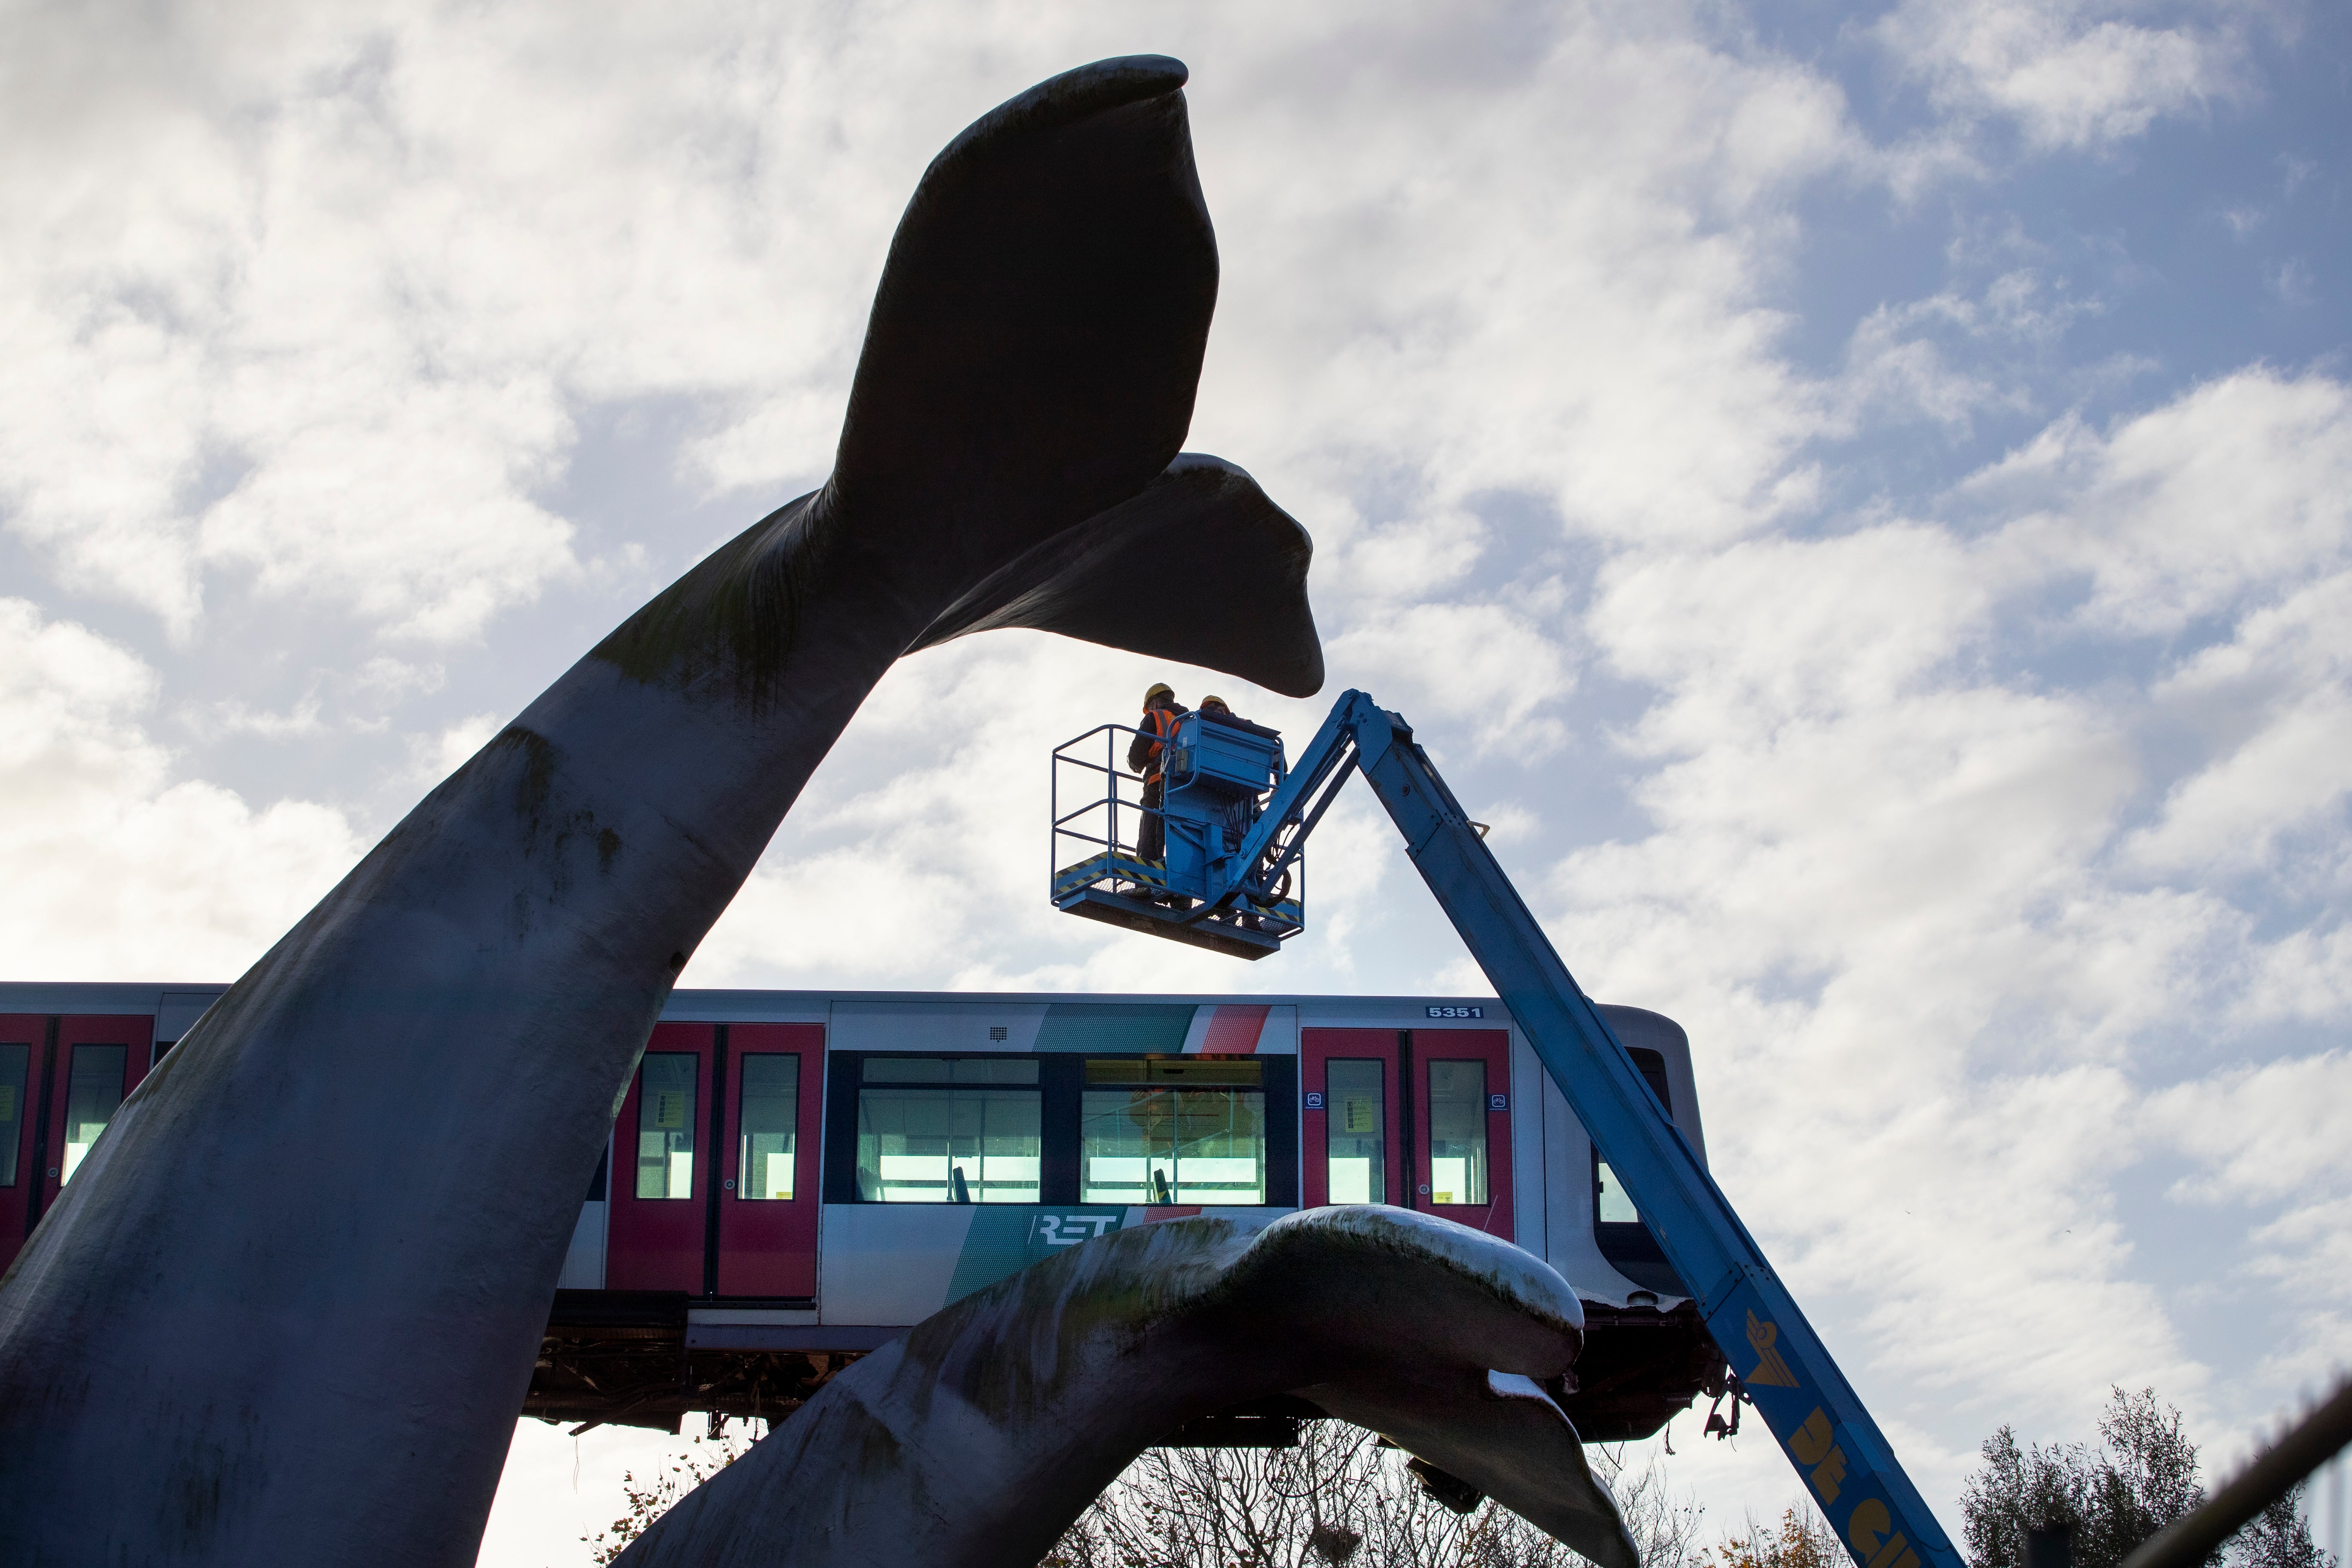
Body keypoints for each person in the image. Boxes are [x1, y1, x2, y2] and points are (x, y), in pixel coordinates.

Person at [1126, 683, 1185, 873]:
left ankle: (1145, 879)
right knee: (1183, 835)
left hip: (1158, 781)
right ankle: (1183, 894)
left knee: (1150, 831)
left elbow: (1136, 760)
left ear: (1155, 703)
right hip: (1189, 786)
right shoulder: (1192, 719)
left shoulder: (1156, 717)